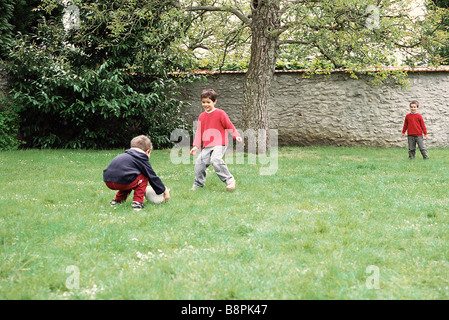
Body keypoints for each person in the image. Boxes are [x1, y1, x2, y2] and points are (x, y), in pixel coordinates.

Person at [190, 88, 243, 191]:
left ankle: (230, 180)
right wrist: (196, 146)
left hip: (220, 143)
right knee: (199, 164)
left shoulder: (220, 113)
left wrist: (236, 135)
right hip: (207, 145)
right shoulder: (202, 116)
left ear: (214, 102)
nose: (205, 104)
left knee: (215, 159)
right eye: (203, 102)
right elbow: (199, 132)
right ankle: (198, 184)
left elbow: (229, 125)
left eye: (208, 102)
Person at [103, 135, 170, 210]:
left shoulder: (125, 155)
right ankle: (137, 203)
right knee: (144, 176)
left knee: (131, 177)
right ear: (147, 151)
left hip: (108, 180)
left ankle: (117, 201)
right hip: (122, 181)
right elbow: (152, 176)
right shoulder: (141, 157)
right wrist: (164, 190)